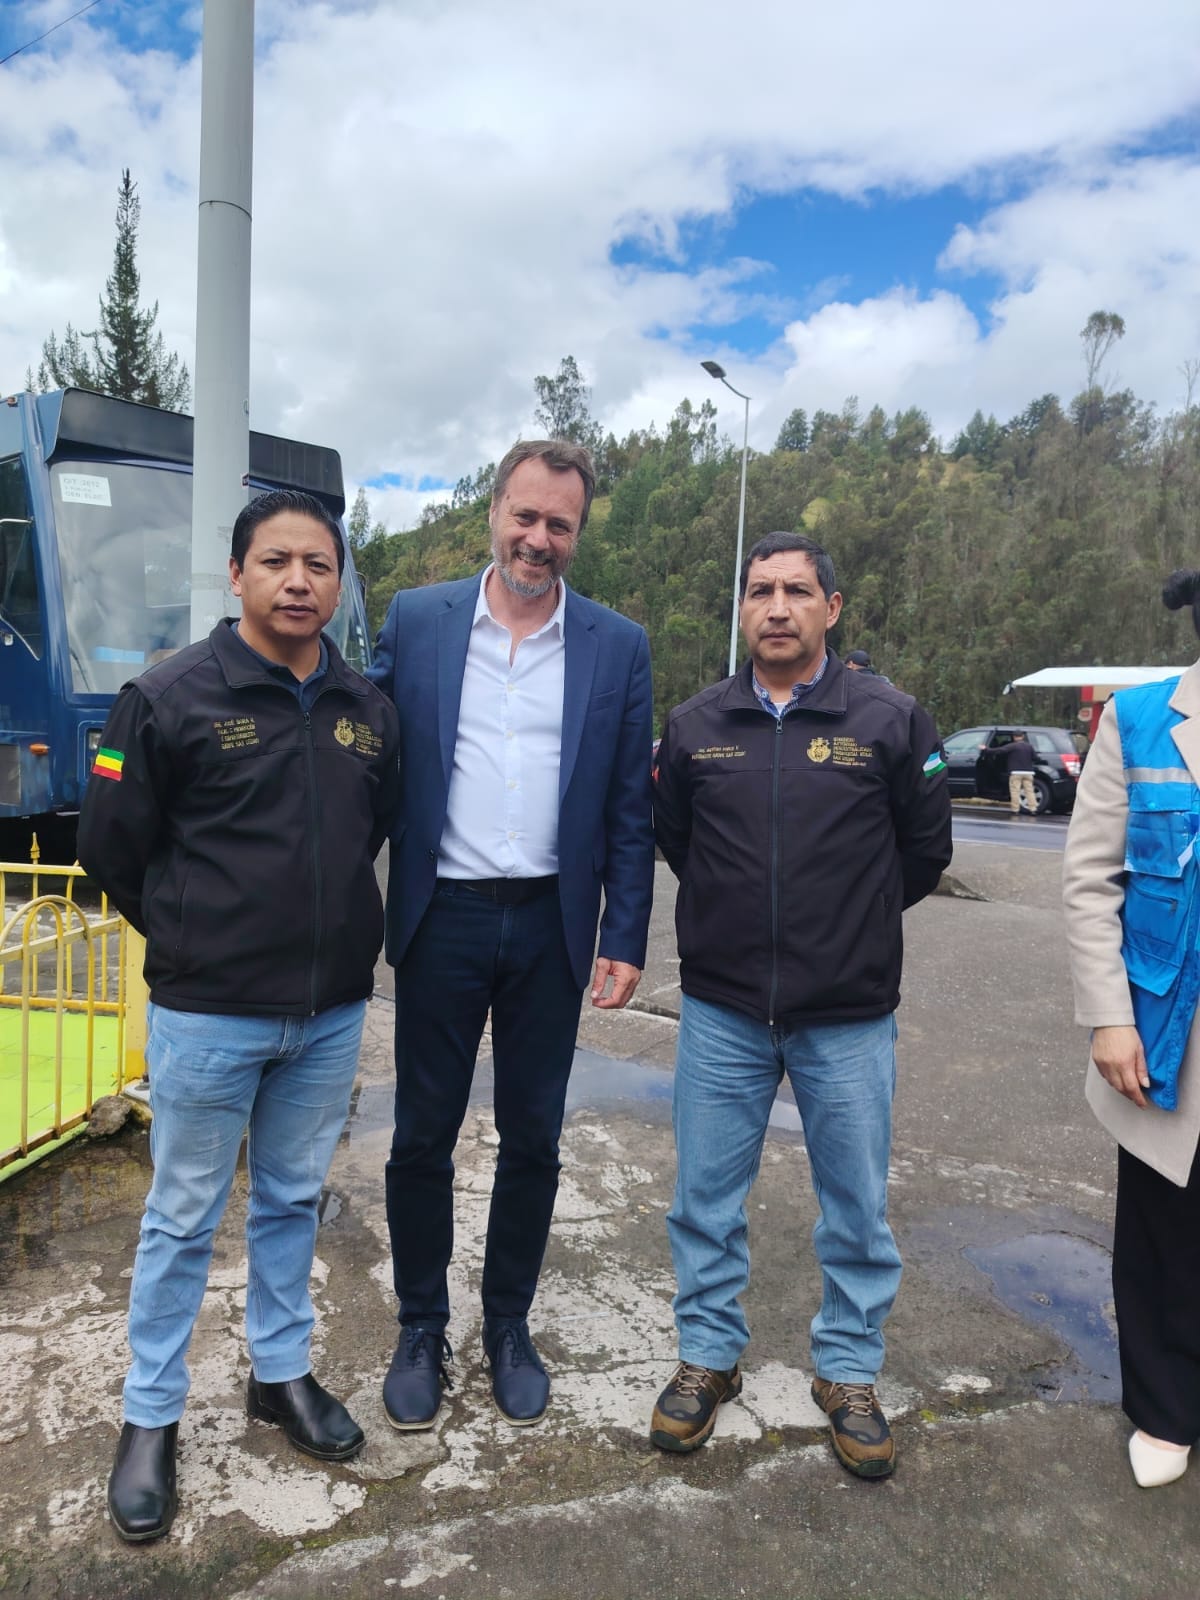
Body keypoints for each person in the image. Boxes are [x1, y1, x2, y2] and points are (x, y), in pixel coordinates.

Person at [77, 489, 400, 1542]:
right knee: (182, 1217)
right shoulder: (166, 697)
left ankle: (279, 1374)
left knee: (291, 1201)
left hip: (329, 1015)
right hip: (209, 1016)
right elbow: (109, 847)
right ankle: (150, 1416)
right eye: (276, 561)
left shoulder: (366, 708)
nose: (299, 580)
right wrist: (190, 935)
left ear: (338, 582)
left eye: (319, 564)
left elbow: (372, 829)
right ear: (236, 573)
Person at [648, 531, 951, 1474]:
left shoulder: (891, 720)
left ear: (832, 607)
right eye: (759, 591)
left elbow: (923, 853)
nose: (776, 607)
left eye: (796, 591)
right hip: (724, 1012)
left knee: (856, 1206)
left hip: (848, 1015)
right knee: (704, 1200)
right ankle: (709, 1356)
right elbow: (678, 843)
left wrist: (845, 927)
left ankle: (848, 1371)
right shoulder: (696, 727)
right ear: (742, 608)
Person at [367, 439, 655, 1431]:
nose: (538, 538)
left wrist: (626, 932)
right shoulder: (418, 619)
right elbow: (363, 749)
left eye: (558, 524)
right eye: (524, 516)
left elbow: (629, 807)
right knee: (422, 1135)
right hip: (440, 915)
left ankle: (507, 1325)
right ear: (494, 511)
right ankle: (421, 1326)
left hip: (550, 924)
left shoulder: (618, 645)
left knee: (534, 1136)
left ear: (578, 533)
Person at [1062, 568, 1200, 1489]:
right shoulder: (1143, 718)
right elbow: (1090, 879)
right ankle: (1165, 1410)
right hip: (1168, 1024)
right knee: (1164, 1224)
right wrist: (1110, 1019)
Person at [1003, 730, 1037, 814]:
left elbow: (1000, 750)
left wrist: (986, 749)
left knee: (1015, 791)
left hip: (1015, 773)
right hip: (1028, 773)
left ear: (1014, 737)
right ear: (1022, 737)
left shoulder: (1012, 746)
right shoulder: (1029, 746)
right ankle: (1033, 809)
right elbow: (1035, 757)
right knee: (1029, 791)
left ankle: (1015, 810)